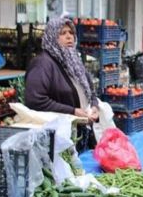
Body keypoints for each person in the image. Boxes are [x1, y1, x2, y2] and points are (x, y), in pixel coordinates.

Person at [25, 17, 100, 151]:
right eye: (62, 33)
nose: (69, 37)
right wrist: (72, 111)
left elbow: (90, 91)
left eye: (71, 33)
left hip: (81, 134)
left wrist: (94, 106)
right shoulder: (43, 64)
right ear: (52, 36)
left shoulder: (74, 62)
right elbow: (35, 100)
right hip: (58, 141)